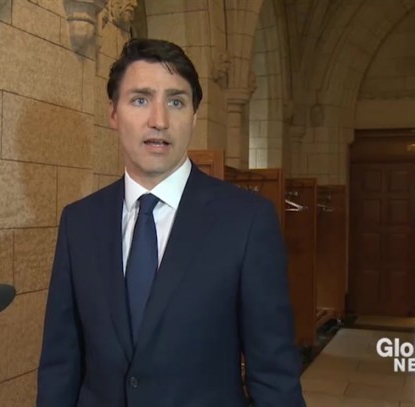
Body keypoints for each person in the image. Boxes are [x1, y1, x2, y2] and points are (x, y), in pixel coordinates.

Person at [37, 38, 305, 406]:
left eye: (176, 102)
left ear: (194, 116)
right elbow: (60, 365)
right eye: (140, 100)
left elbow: (274, 375)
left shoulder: (246, 221)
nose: (159, 121)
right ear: (113, 114)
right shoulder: (79, 222)